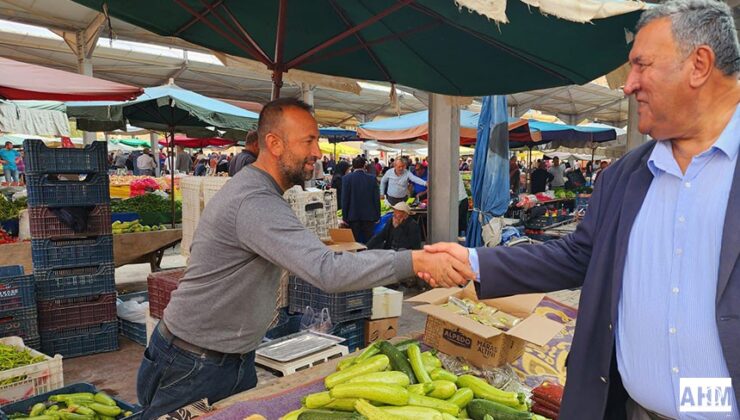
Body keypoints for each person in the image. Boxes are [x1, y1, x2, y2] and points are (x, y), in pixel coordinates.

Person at [421, 1, 740, 417]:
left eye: (642, 65)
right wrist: (474, 261)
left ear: (699, 64)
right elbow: (577, 256)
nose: (629, 85)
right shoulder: (625, 176)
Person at [137, 98, 474, 418]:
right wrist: (414, 261)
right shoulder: (255, 201)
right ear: (275, 143)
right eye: (308, 141)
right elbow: (326, 270)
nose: (317, 152)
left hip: (226, 357)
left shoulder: (262, 194)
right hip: (193, 364)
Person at [341, 157, 380, 243]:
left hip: (353, 215)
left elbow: (345, 199)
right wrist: (378, 215)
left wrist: (344, 216)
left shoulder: (346, 178)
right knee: (369, 242)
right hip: (369, 216)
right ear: (364, 165)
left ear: (353, 166)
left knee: (355, 242)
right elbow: (376, 198)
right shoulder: (372, 178)